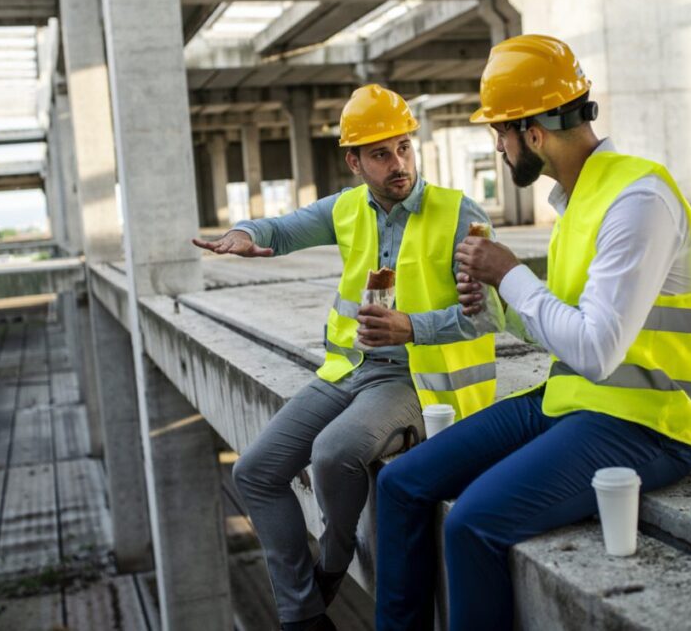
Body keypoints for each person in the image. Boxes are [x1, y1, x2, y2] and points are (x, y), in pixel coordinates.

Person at [374, 34, 691, 631]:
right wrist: (495, 302)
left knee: (472, 524)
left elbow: (595, 349)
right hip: (574, 403)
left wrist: (509, 274)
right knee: (402, 483)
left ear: (531, 132)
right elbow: (565, 329)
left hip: (648, 425)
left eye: (499, 134)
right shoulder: (580, 201)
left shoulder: (638, 200)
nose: (500, 148)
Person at [192, 84, 499, 631]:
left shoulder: (458, 213)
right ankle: (303, 614)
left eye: (404, 147)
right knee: (255, 472)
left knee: (333, 452)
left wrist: (411, 327)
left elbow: (487, 317)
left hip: (419, 380)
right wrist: (243, 233)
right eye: (381, 154)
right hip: (348, 371)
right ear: (354, 161)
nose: (398, 163)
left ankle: (333, 561)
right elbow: (281, 229)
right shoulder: (347, 208)